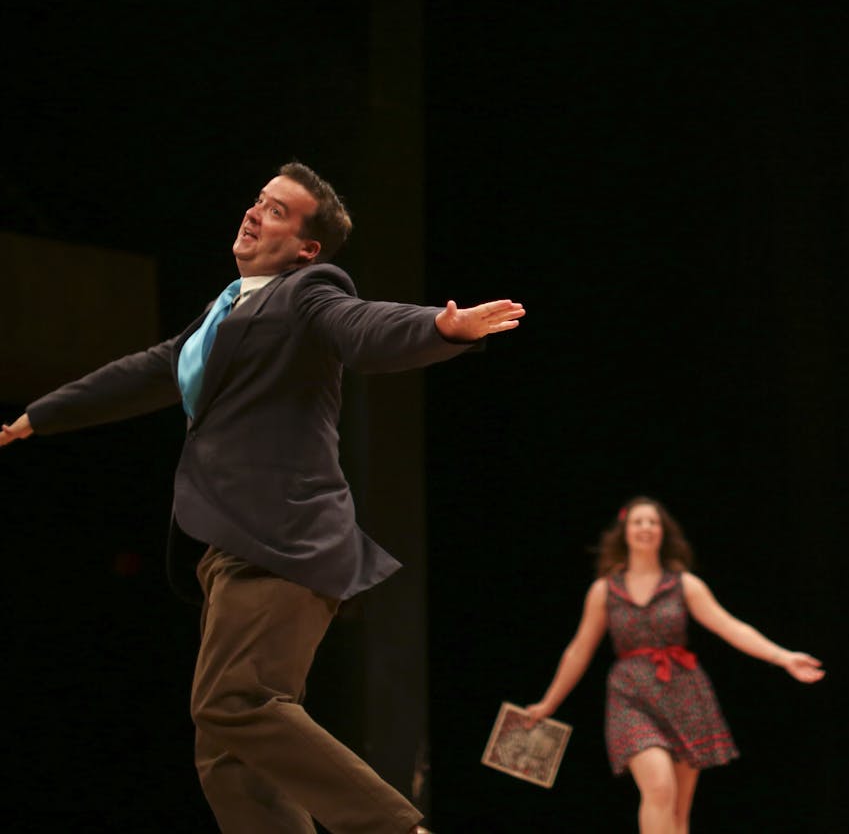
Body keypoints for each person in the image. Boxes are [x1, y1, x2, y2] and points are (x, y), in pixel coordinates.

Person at [0, 161, 525, 834]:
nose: (254, 213)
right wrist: (40, 415)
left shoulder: (308, 291)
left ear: (307, 246)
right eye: (258, 201)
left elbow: (360, 325)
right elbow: (143, 371)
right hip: (230, 546)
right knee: (228, 754)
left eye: (277, 210)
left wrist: (439, 329)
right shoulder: (225, 313)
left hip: (284, 542)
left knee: (236, 702)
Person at [523, 496, 825, 834]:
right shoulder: (604, 591)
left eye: (653, 522)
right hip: (631, 696)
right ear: (625, 532)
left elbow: (730, 626)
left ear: (663, 532)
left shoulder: (684, 585)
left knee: (678, 814)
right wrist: (549, 702)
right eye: (638, 522)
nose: (646, 528)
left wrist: (783, 656)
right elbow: (578, 650)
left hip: (683, 695)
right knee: (659, 787)